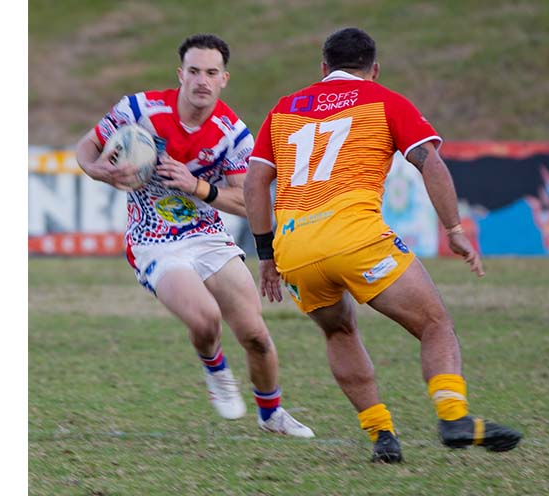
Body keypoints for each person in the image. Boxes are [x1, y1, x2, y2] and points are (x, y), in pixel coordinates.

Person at [243, 27, 521, 462]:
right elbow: (430, 163)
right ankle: (454, 418)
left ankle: (381, 435)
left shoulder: (284, 108)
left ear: (323, 68)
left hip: (295, 248)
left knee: (338, 330)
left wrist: (265, 255)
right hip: (356, 238)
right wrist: (454, 229)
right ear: (374, 69)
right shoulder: (385, 100)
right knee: (435, 324)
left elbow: (255, 181)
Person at [75, 33, 314, 438]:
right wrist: (100, 170)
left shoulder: (232, 133)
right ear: (180, 74)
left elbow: (248, 201)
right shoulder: (139, 110)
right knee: (205, 320)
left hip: (207, 237)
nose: (202, 80)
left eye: (212, 73)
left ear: (224, 79)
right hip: (154, 241)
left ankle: (271, 413)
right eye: (195, 71)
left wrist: (197, 186)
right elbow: (87, 147)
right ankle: (216, 369)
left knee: (256, 335)